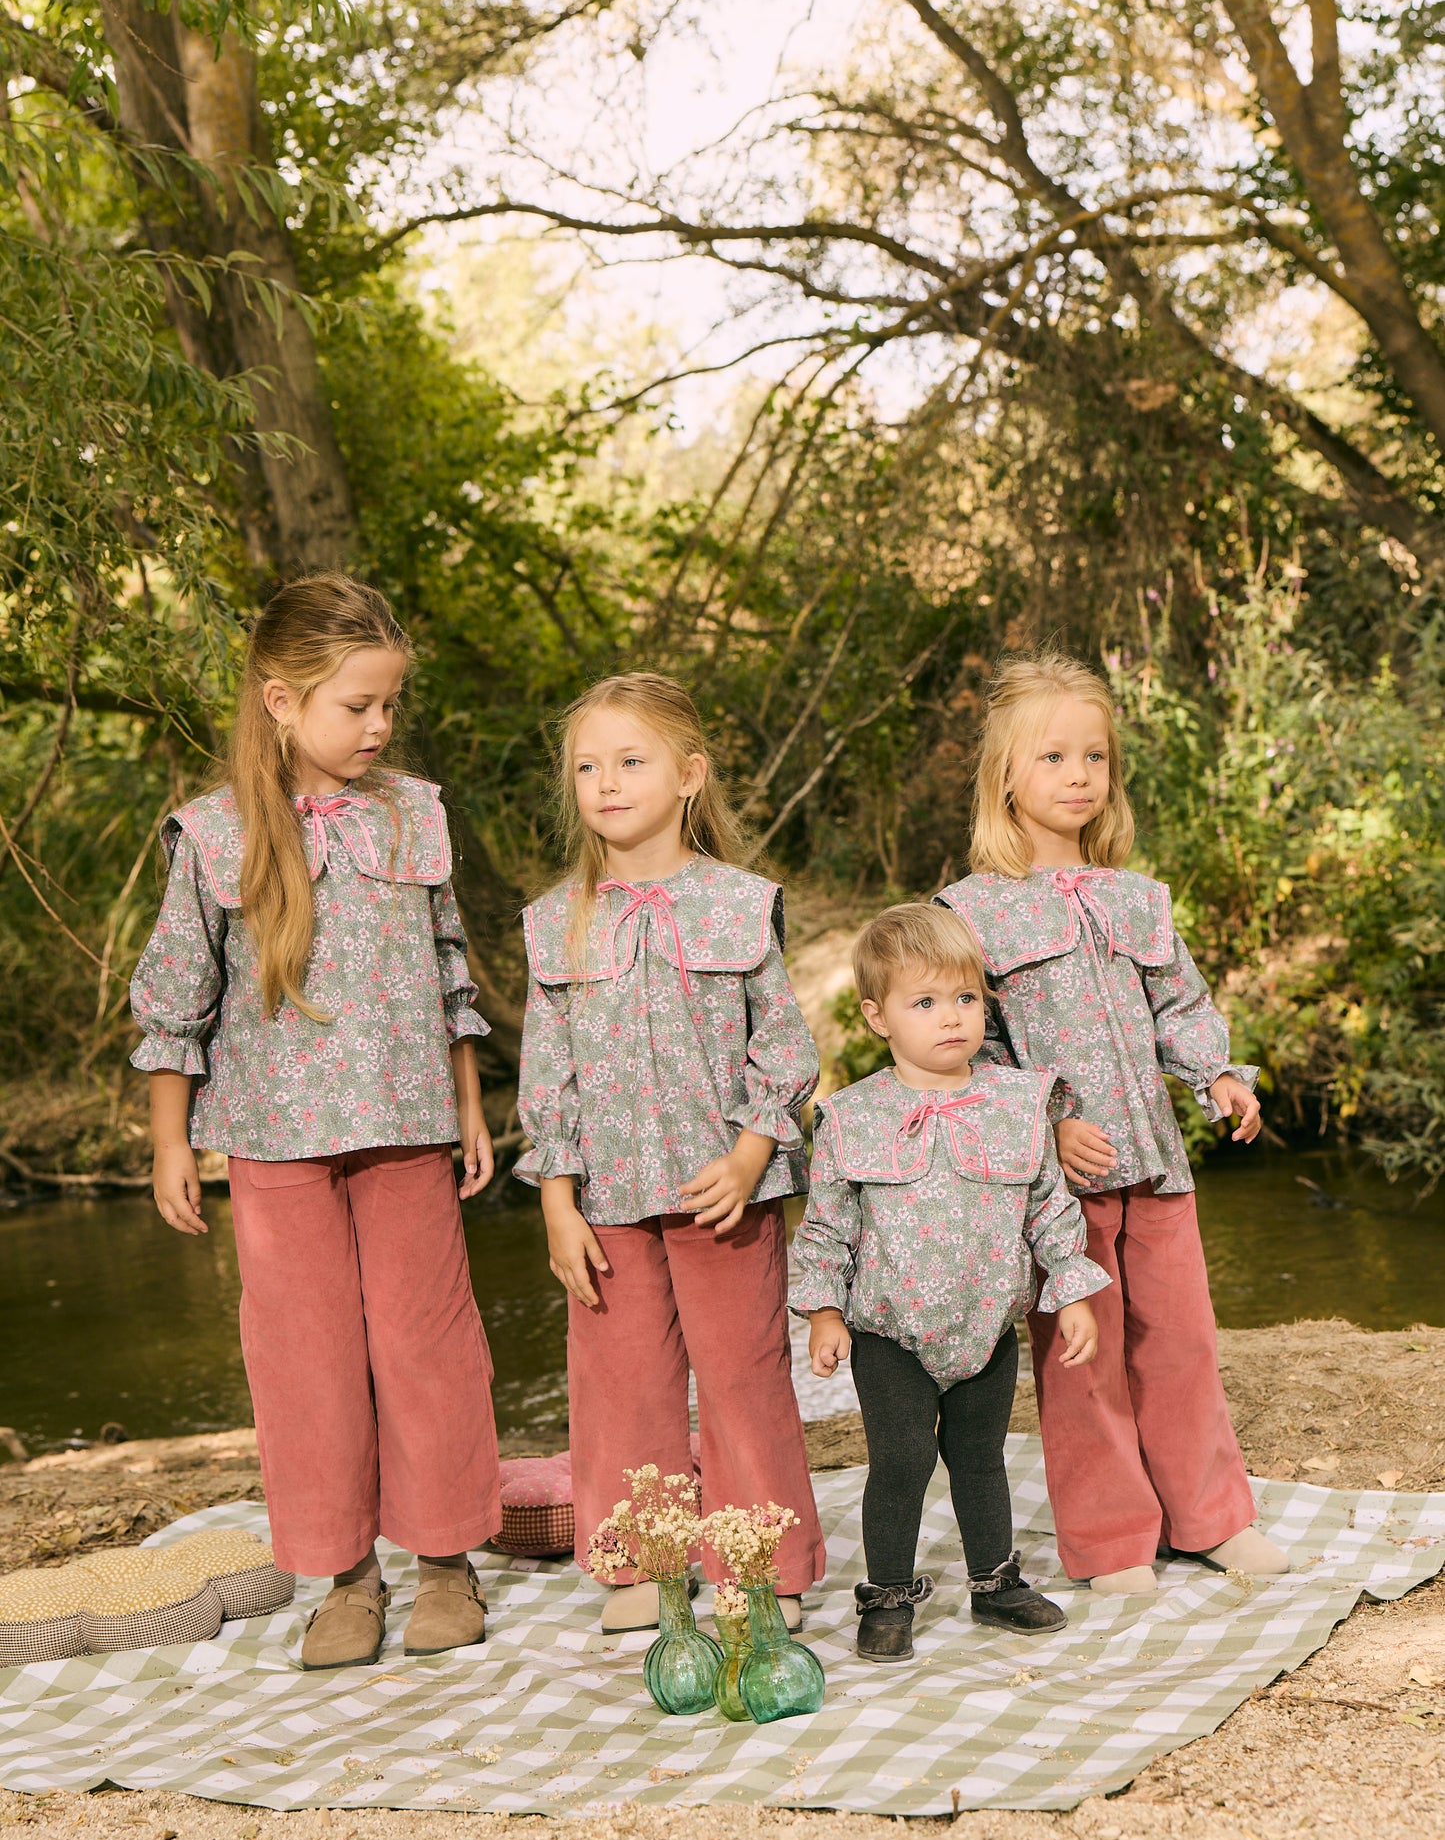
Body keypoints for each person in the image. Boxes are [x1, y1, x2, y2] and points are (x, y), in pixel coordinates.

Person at [130, 576, 502, 1669]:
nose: (379, 727)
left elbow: (448, 970)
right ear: (282, 699)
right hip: (272, 1139)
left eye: (391, 704)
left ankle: (443, 1560)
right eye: (358, 707)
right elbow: (174, 994)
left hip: (403, 1123)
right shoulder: (211, 835)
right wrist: (169, 1140)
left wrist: (468, 1101)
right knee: (306, 1359)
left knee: (425, 1345)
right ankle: (344, 1577)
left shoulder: (412, 812)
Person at [937, 650, 1288, 1596]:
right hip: (1062, 1191)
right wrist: (1043, 1129)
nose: (1078, 776)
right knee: (1081, 1358)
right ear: (1005, 774)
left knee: (1179, 1342)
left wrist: (1216, 1070)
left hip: (1157, 1169)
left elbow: (1179, 1002)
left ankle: (1209, 1517)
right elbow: (971, 1049)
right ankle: (1110, 1540)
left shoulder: (1138, 897)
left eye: (1093, 757)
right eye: (1053, 758)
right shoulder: (970, 913)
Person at [515, 671, 825, 1633]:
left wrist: (747, 1155)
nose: (605, 782)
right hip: (605, 1197)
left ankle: (758, 1565)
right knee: (622, 1387)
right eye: (586, 767)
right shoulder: (553, 921)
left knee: (741, 1380)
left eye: (630, 761)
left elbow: (781, 1046)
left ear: (689, 774)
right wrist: (557, 1198)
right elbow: (549, 1071)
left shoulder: (739, 906)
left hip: (719, 1192)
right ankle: (646, 1568)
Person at [791, 903, 1107, 1661]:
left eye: (965, 998)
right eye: (924, 1002)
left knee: (980, 1456)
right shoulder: (853, 1116)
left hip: (985, 1323)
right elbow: (827, 1224)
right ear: (877, 1017)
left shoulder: (1017, 1102)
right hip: (888, 1326)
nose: (951, 1018)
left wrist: (1071, 1288)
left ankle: (995, 1584)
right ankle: (889, 1596)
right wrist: (824, 1313)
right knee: (900, 1460)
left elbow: (1046, 1205)